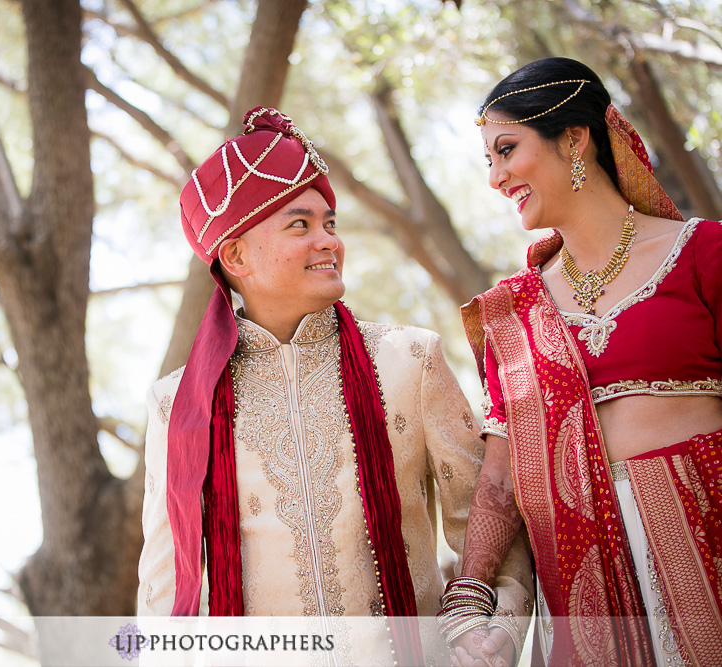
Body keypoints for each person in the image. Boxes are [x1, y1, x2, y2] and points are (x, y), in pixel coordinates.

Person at [135, 107, 534, 665]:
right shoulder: (178, 405)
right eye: (300, 225)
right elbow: (161, 587)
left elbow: (489, 522)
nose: (328, 241)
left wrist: (495, 632)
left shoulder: (409, 360)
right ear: (235, 255)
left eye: (330, 224)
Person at [451, 57, 722, 666]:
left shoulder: (705, 254)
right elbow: (500, 480)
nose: (496, 177)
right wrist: (469, 600)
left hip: (706, 551)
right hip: (584, 584)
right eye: (488, 160)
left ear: (574, 138)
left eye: (506, 149)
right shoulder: (514, 312)